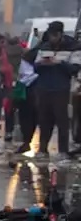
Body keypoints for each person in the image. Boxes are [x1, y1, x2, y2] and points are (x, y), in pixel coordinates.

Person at [24, 21, 81, 161]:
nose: (52, 38)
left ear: (60, 34)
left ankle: (63, 151)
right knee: (44, 120)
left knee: (62, 121)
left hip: (61, 89)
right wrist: (42, 63)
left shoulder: (74, 48)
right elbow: (35, 66)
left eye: (54, 35)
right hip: (43, 88)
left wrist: (59, 63)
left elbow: (74, 68)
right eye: (50, 35)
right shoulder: (44, 47)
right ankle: (43, 149)